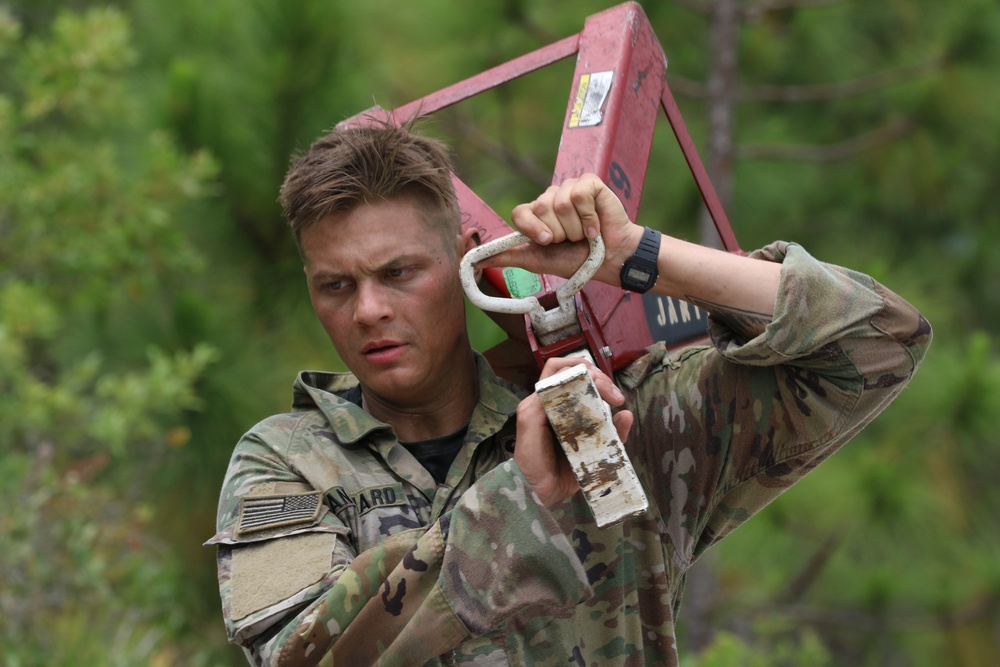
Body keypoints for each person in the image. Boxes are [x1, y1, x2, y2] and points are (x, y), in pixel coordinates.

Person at [206, 123, 931, 667]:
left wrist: (639, 257)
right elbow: (300, 655)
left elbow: (879, 342)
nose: (367, 310)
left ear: (466, 260)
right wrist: (520, 497)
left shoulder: (606, 423)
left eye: (398, 273)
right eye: (336, 284)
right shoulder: (287, 463)